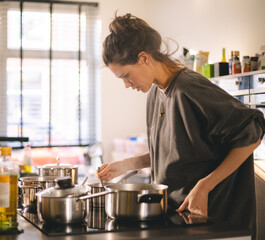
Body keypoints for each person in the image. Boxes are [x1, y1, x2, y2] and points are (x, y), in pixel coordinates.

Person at [98, 13, 265, 239]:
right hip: (180, 217)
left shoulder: (189, 89)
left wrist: (205, 186)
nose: (127, 85)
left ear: (144, 58)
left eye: (126, 76)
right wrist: (128, 164)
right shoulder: (155, 94)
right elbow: (174, 150)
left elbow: (253, 132)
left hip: (215, 221)